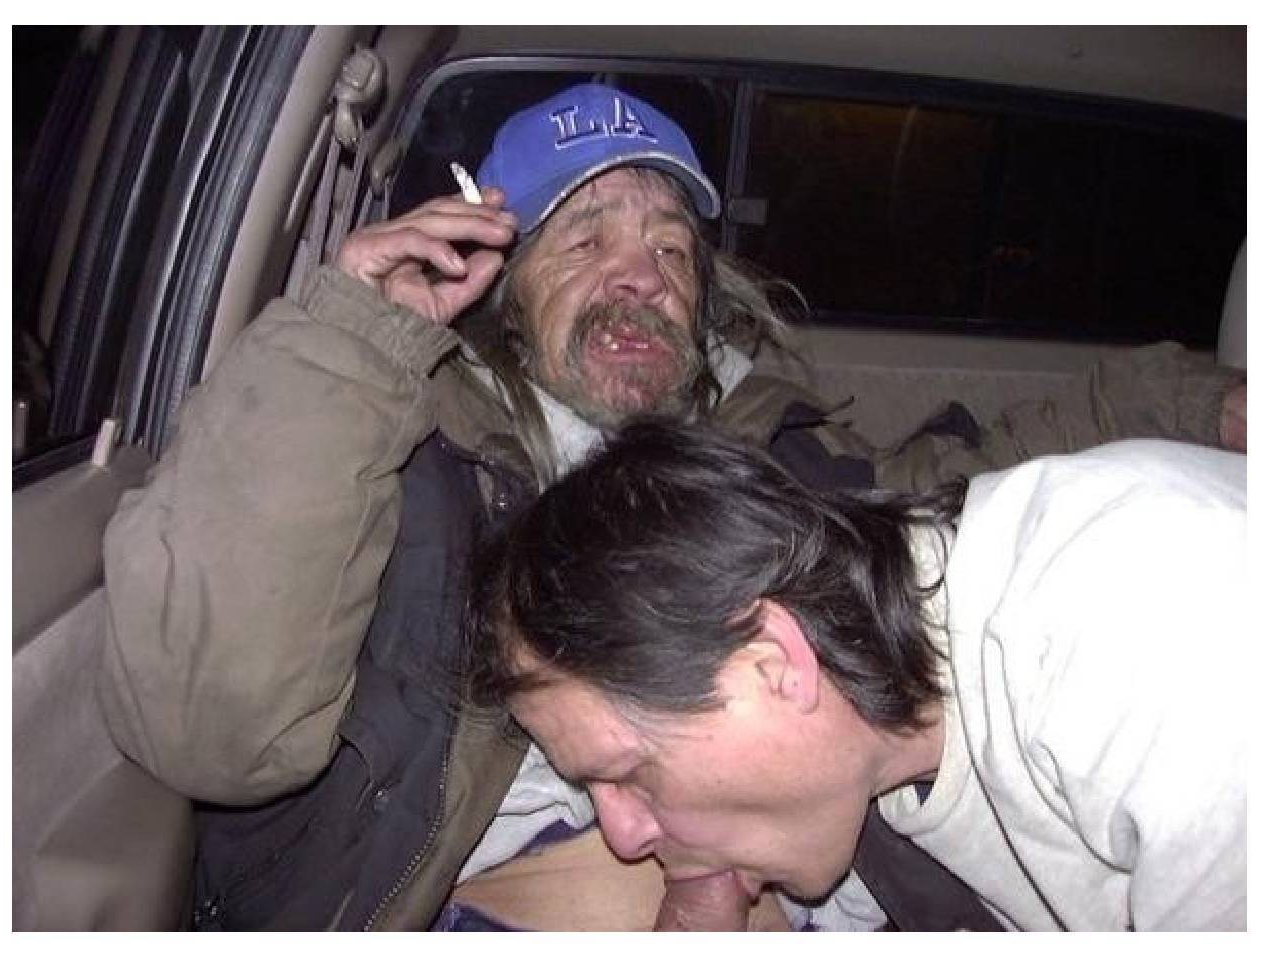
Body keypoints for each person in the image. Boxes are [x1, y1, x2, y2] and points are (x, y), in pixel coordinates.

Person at [97, 81, 1246, 931]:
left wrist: (1206, 405)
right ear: (501, 287)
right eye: (584, 238)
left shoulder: (766, 464)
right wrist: (353, 342)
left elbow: (956, 493)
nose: (639, 275)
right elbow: (209, 725)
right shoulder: (401, 463)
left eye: (670, 248)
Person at [467, 418, 1247, 931]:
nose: (622, 833)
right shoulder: (879, 747)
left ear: (773, 664)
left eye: (626, 775)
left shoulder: (1147, 617)